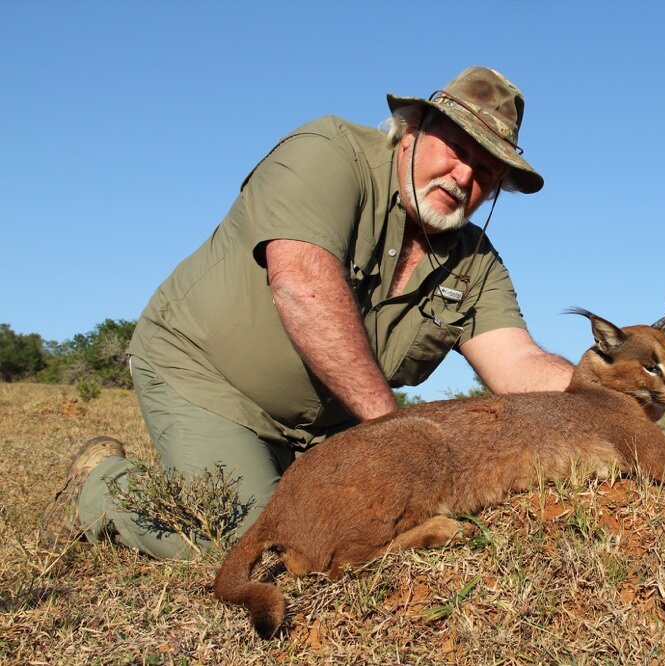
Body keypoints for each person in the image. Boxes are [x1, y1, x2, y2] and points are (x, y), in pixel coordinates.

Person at [43, 66, 573, 559]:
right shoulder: (327, 153)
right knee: (257, 547)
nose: (463, 176)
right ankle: (101, 486)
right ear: (411, 130)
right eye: (455, 149)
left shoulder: (476, 261)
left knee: (348, 527)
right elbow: (301, 287)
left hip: (330, 428)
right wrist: (396, 436)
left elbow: (519, 362)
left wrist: (617, 396)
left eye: (485, 171)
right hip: (208, 379)